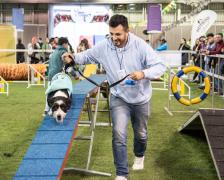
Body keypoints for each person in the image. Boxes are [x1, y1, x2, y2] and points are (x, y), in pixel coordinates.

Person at [62, 14, 166, 180]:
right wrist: (72, 57)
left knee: (141, 134)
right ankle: (122, 174)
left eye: (118, 34)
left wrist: (143, 73)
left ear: (127, 31)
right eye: (111, 34)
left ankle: (140, 155)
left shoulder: (140, 45)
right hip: (118, 97)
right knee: (119, 134)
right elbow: (86, 56)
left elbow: (160, 66)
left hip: (141, 99)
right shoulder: (104, 46)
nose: (114, 38)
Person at [44, 37, 70, 115]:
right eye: (67, 44)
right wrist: (74, 73)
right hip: (57, 76)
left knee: (50, 93)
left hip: (50, 75)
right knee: (61, 93)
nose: (67, 46)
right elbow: (68, 61)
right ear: (64, 44)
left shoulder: (55, 51)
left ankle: (46, 110)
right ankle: (55, 110)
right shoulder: (63, 51)